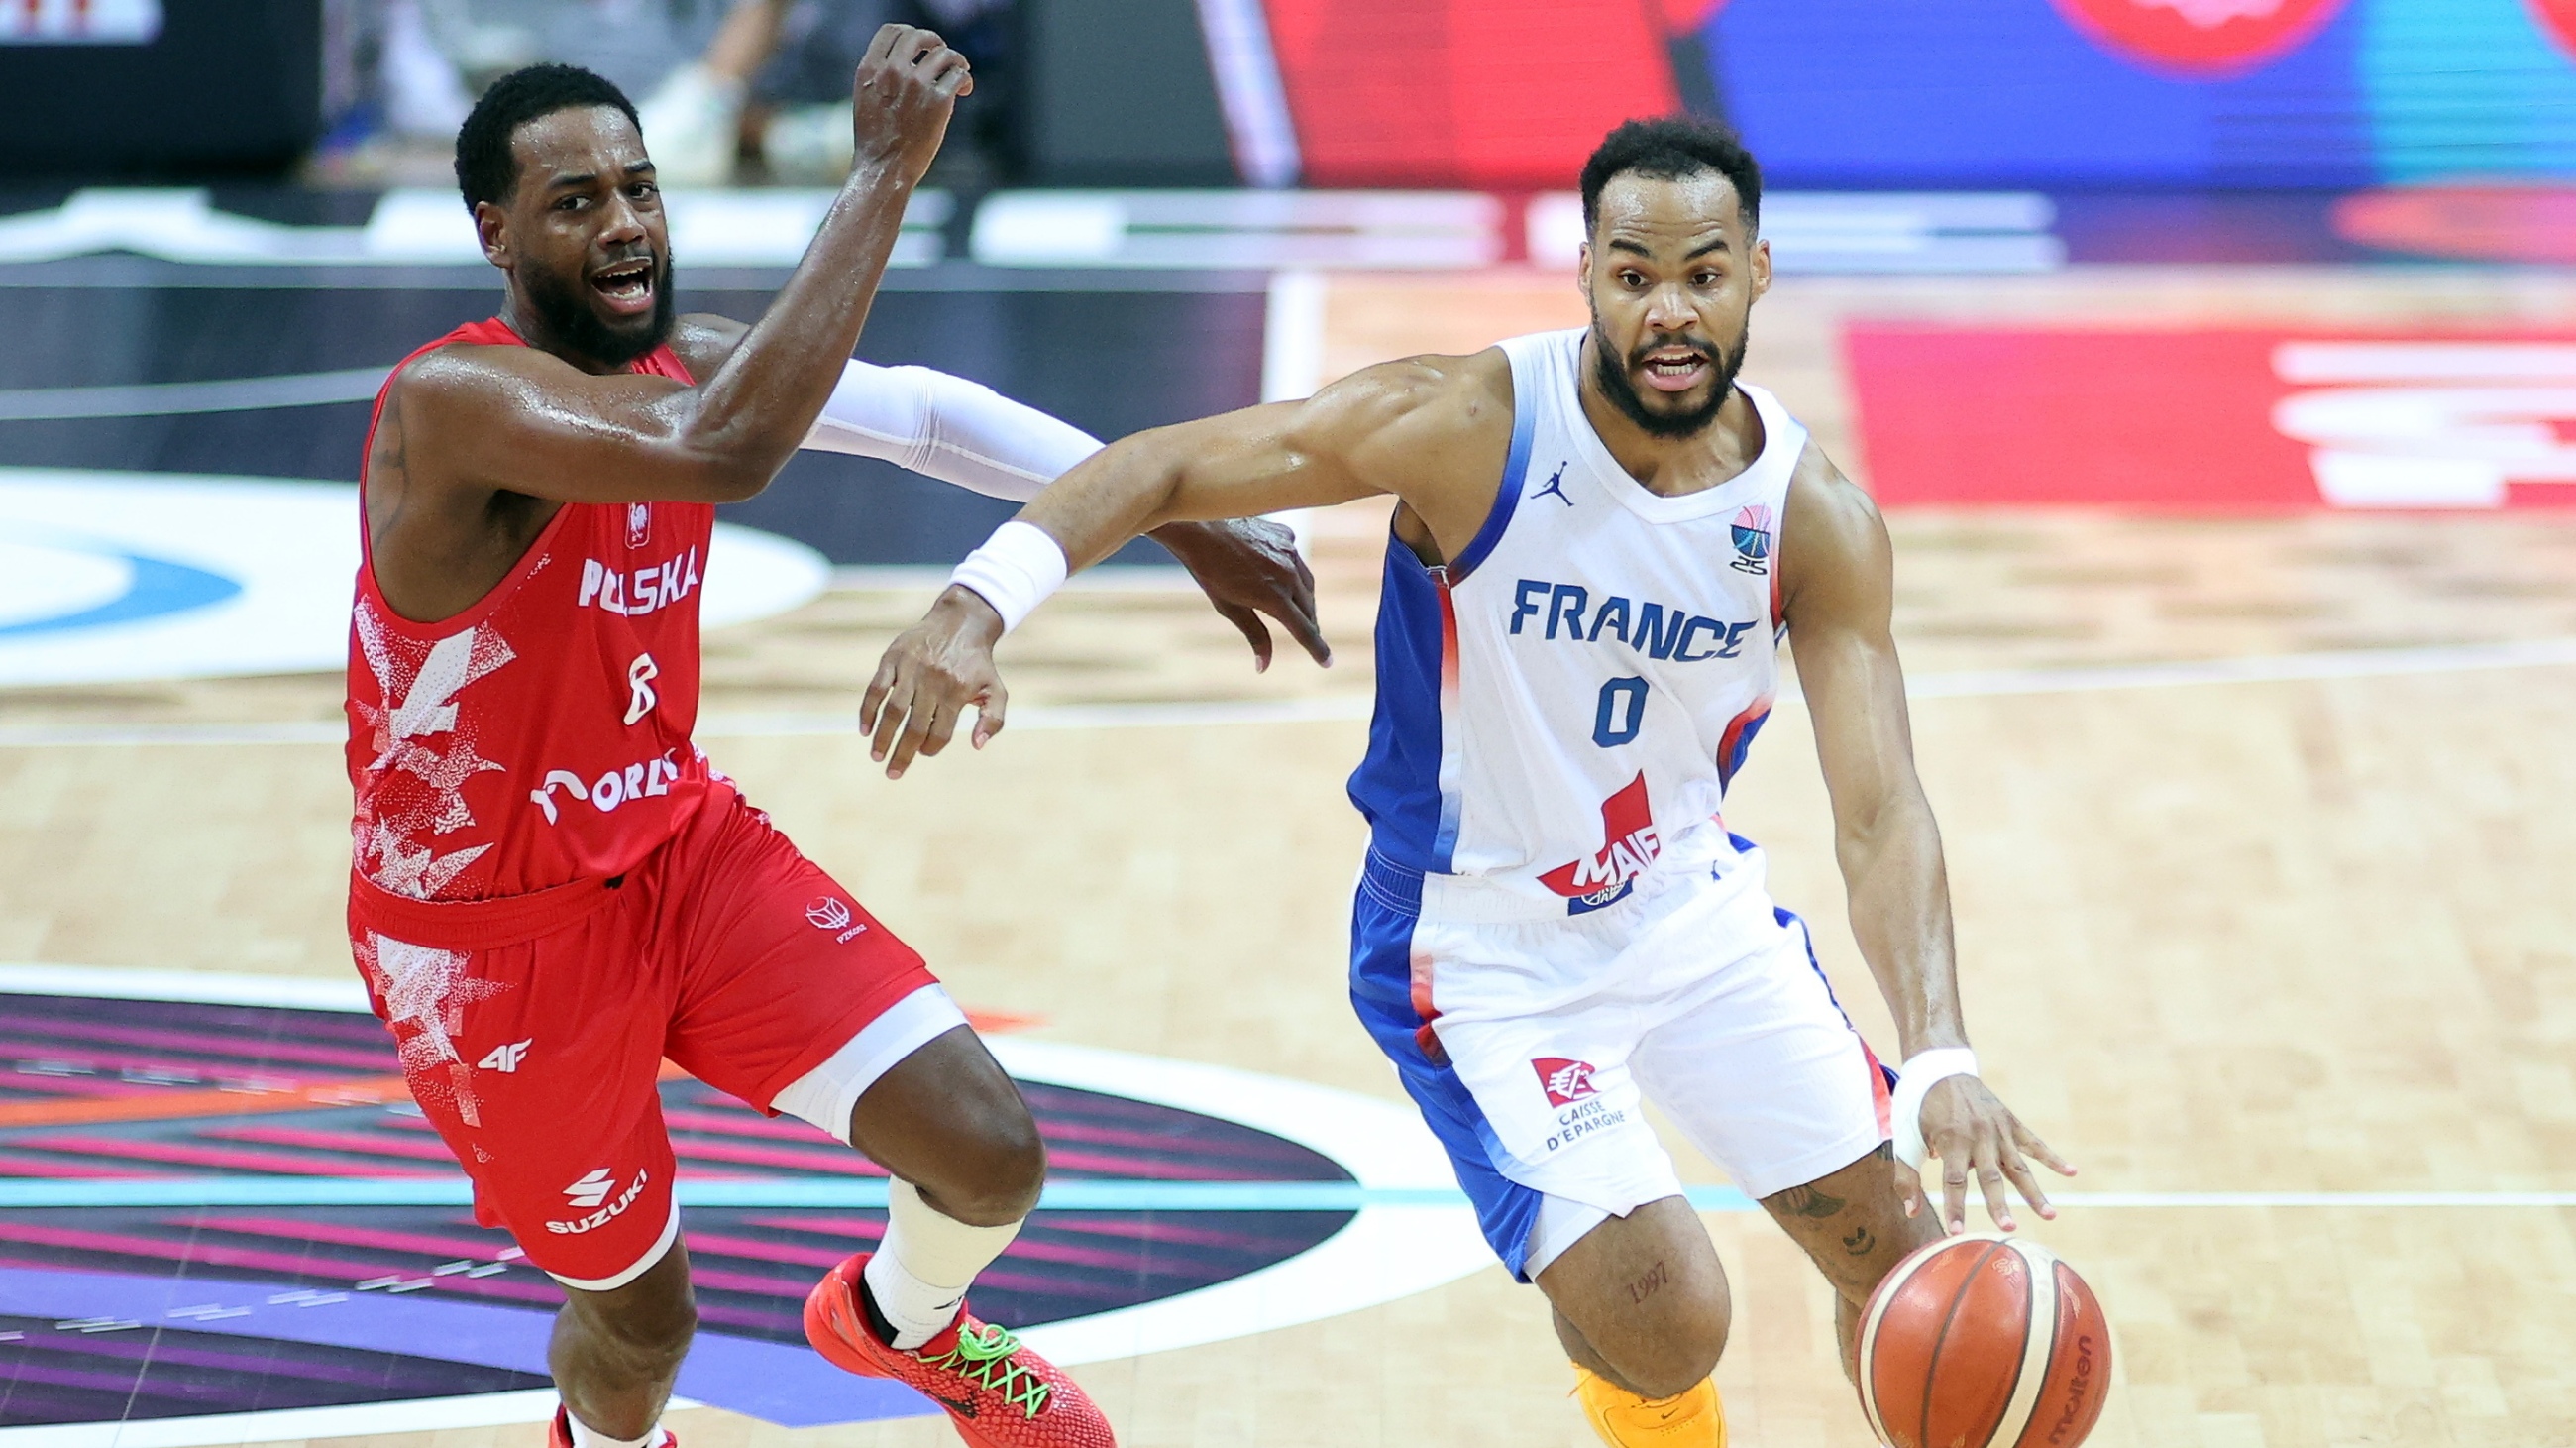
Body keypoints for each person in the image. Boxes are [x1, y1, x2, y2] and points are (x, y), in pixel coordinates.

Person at [860, 116, 2076, 1448]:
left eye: (1704, 273)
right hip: (1476, 954)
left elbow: (1881, 808)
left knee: (1908, 1266)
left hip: (1686, 908)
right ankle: (1628, 1347)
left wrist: (1940, 1049)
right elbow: (1162, 464)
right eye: (1634, 274)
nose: (1669, 310)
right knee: (1671, 1317)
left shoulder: (1809, 515)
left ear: (1758, 273)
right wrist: (976, 605)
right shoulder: (1471, 425)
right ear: (1587, 273)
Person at [343, 30, 1319, 1448]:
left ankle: (901, 1321)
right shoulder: (458, 404)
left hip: (676, 848)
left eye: (639, 187)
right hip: (488, 940)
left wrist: (1171, 509)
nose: (623, 224)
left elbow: (922, 418)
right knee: (644, 1322)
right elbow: (721, 450)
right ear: (495, 233)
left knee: (988, 1152)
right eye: (575, 202)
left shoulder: (692, 363)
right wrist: (881, 173)